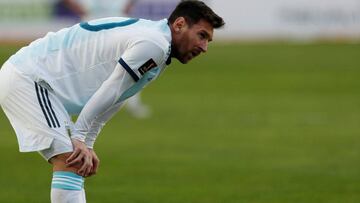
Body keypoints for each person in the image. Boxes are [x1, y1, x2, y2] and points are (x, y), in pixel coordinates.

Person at [0, 0, 224, 202]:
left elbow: (117, 96)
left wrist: (87, 142)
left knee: (74, 161)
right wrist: (79, 136)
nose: (204, 47)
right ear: (179, 24)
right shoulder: (154, 44)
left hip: (36, 80)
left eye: (208, 41)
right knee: (71, 161)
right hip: (29, 79)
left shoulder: (159, 45)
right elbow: (112, 87)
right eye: (202, 35)